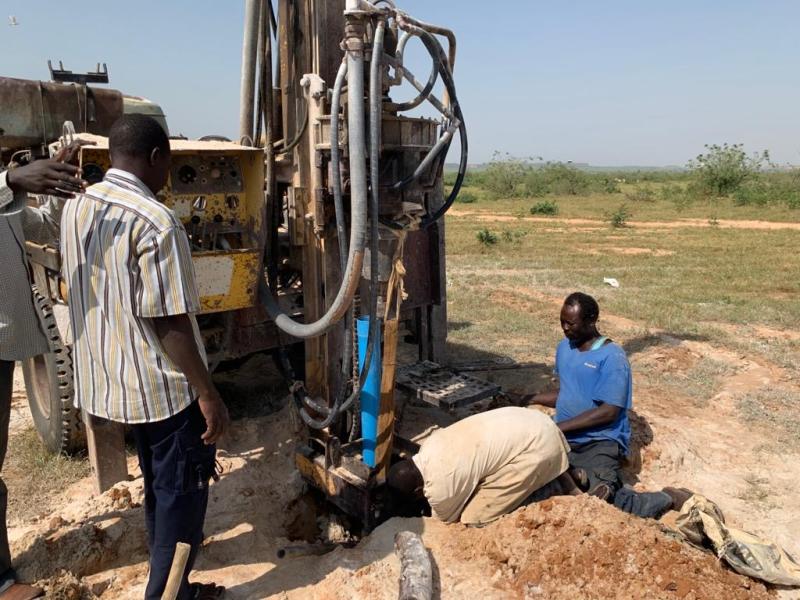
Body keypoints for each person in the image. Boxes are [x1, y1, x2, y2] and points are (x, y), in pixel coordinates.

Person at [60, 115, 229, 600]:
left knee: (160, 486)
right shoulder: (156, 221)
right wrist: (208, 393)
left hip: (115, 382)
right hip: (163, 390)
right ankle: (166, 594)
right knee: (181, 501)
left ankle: (178, 589)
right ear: (157, 158)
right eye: (169, 164)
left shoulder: (78, 206)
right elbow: (170, 323)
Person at [1, 145, 88, 600]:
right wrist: (12, 181)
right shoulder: (6, 188)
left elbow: (44, 226)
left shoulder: (9, 205)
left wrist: (59, 185)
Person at [523, 292, 691, 519]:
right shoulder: (565, 348)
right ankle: (576, 475)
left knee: (602, 504)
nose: (565, 328)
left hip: (598, 441)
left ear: (591, 321)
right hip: (564, 438)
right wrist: (531, 398)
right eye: (562, 321)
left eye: (571, 323)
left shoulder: (612, 357)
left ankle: (667, 498)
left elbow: (609, 412)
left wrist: (558, 428)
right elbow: (568, 393)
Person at [387, 407, 578, 527]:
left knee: (474, 519)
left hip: (539, 447)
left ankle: (549, 488)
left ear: (419, 490)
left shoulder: (440, 488)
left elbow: (444, 522)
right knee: (489, 466)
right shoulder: (429, 444)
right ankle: (568, 474)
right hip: (532, 420)